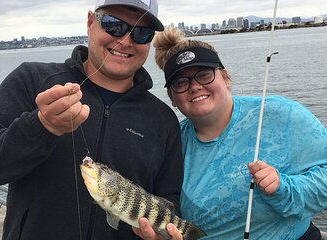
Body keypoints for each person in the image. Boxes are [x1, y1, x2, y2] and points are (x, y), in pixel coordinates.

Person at [0, 1, 184, 239]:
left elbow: (168, 202)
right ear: (90, 23)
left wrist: (161, 234)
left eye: (142, 33)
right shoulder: (32, 80)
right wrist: (41, 126)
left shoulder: (163, 120)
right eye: (114, 25)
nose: (125, 40)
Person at [135, 27, 327, 240]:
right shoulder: (173, 144)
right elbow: (167, 206)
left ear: (225, 77)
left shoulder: (278, 114)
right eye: (181, 82)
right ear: (172, 97)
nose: (195, 86)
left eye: (204, 74)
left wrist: (285, 189)